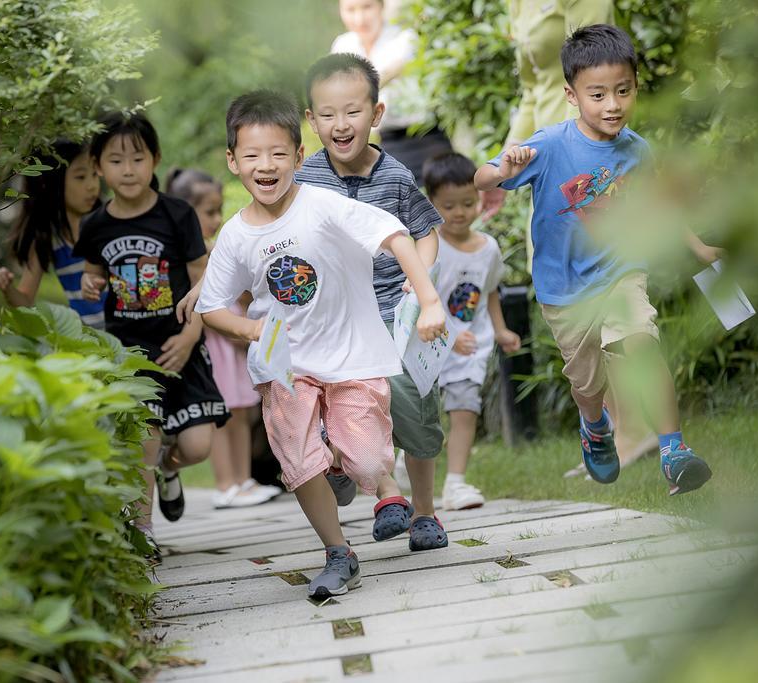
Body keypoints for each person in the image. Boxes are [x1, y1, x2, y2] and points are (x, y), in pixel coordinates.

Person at [194, 90, 445, 599]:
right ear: (232, 161)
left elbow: (396, 236)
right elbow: (213, 306)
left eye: (278, 154)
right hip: (286, 369)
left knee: (369, 462)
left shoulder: (325, 205)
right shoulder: (236, 236)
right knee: (297, 461)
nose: (266, 166)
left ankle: (342, 461)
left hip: (351, 358)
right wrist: (252, 332)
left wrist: (430, 299)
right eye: (252, 155)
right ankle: (337, 552)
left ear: (298, 157)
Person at [474, 24, 719, 495]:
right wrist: (502, 168)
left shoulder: (637, 151)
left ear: (634, 88)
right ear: (571, 95)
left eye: (623, 91)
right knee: (588, 384)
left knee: (642, 343)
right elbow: (485, 180)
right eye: (598, 94)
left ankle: (674, 450)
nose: (613, 105)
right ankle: (594, 426)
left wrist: (699, 247)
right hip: (564, 290)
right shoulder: (548, 146)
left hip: (620, 274)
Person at [299, 52, 450, 552]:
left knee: (411, 406)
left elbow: (426, 233)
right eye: (328, 114)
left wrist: (419, 277)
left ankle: (426, 513)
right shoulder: (304, 181)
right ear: (311, 120)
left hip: (393, 308)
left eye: (353, 111)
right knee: (345, 401)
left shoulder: (397, 176)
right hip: (336, 318)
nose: (341, 125)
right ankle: (370, 481)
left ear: (377, 114)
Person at [75, 112, 229, 560]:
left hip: (181, 343)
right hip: (130, 354)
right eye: (116, 160)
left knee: (197, 446)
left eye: (137, 158)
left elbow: (205, 282)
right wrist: (91, 284)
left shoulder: (177, 214)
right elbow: (93, 272)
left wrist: (189, 338)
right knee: (143, 436)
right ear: (99, 166)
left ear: (155, 160)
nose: (128, 170)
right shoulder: (96, 225)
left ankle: (168, 468)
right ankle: (143, 531)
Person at [164, 168, 281, 509]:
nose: (217, 219)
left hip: (236, 340)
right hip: (215, 343)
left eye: (218, 211)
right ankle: (225, 483)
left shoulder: (221, 247)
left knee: (243, 410)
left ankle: (243, 480)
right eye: (209, 212)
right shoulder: (186, 257)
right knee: (222, 412)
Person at [422, 153, 521, 510]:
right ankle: (408, 463)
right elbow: (418, 296)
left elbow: (490, 290)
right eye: (449, 205)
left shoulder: (488, 248)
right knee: (423, 413)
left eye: (468, 202)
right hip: (429, 348)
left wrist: (500, 329)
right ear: (431, 202)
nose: (460, 212)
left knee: (465, 409)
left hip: (470, 349)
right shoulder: (429, 246)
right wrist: (448, 332)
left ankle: (455, 483)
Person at [0, 140, 105, 327]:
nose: (92, 185)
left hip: (129, 337)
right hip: (89, 343)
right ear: (55, 181)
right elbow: (25, 300)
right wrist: (7, 288)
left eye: (95, 174)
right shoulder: (47, 236)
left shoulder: (109, 222)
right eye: (81, 177)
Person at [332, 0, 452, 181]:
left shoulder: (405, 38)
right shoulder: (342, 46)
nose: (360, 18)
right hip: (387, 141)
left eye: (367, 7)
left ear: (381, 7)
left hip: (425, 138)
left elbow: (392, 71)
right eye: (350, 10)